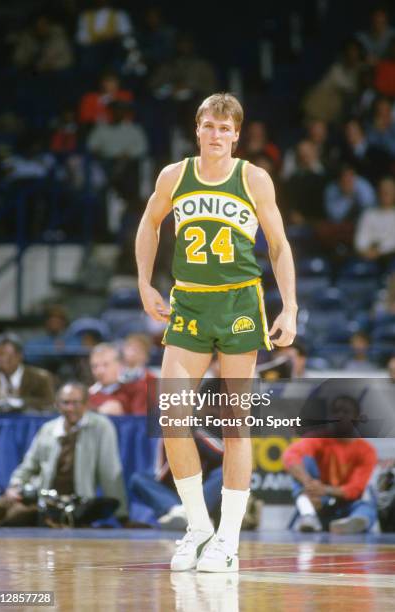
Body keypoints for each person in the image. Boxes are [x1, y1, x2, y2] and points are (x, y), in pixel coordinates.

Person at [135, 93, 297, 572]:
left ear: (237, 134)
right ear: (197, 129)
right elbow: (150, 222)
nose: (216, 135)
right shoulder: (174, 175)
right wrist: (144, 283)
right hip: (189, 302)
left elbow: (280, 246)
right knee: (172, 416)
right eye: (209, 126)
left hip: (240, 304)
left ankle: (228, 540)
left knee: (235, 423)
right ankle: (198, 527)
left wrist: (290, 306)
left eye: (225, 129)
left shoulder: (253, 178)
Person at [0, 382, 128, 527]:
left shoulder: (101, 427)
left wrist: (122, 517)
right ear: (57, 405)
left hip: (74, 504)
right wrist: (15, 485)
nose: (71, 408)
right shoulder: (48, 429)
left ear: (86, 404)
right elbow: (28, 466)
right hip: (41, 495)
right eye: (66, 403)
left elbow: (110, 474)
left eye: (76, 403)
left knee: (18, 514)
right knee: (3, 503)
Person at [283, 396, 377, 534]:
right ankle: (308, 514)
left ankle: (355, 522)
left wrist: (325, 489)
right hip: (320, 501)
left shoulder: (366, 451)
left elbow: (355, 489)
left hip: (347, 504)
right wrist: (309, 483)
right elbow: (290, 456)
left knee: (366, 504)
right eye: (335, 411)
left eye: (345, 412)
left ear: (357, 418)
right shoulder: (319, 438)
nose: (339, 416)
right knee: (302, 464)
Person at [0, 332, 55, 411]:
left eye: (3, 354)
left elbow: (49, 404)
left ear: (19, 356)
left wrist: (21, 402)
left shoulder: (40, 378)